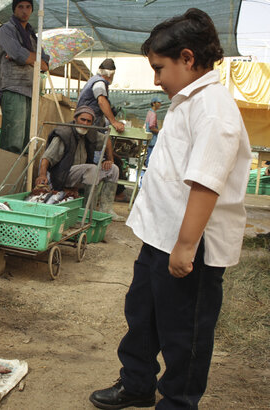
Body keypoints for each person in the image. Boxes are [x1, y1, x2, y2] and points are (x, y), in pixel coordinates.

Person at [89, 8, 251, 409]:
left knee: (185, 334)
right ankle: (138, 383)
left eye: (159, 68)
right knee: (142, 316)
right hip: (160, 238)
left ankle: (177, 402)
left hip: (189, 247)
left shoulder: (214, 109)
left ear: (187, 58)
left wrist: (184, 246)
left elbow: (205, 182)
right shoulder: (186, 100)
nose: (156, 80)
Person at [34, 105, 124, 221]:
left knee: (113, 169)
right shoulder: (64, 134)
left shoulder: (90, 133)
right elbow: (46, 158)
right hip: (62, 175)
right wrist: (42, 175)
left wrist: (109, 159)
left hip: (82, 175)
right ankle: (86, 210)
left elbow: (107, 139)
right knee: (91, 169)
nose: (85, 124)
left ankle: (106, 209)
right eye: (83, 120)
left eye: (88, 121)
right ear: (75, 119)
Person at [0, 0, 50, 154]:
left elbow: (45, 64)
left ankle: (21, 179)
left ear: (32, 10)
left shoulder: (32, 36)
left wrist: (26, 57)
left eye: (28, 7)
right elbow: (17, 53)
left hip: (30, 91)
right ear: (14, 9)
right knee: (13, 143)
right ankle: (8, 178)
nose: (24, 11)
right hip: (13, 87)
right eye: (20, 7)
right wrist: (28, 58)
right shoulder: (6, 30)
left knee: (27, 144)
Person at [76, 58, 125, 133]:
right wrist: (114, 122)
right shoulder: (99, 83)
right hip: (87, 121)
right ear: (110, 75)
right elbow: (102, 101)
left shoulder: (94, 79)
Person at [144, 95, 162, 167]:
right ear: (153, 103)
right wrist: (160, 132)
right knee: (151, 156)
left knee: (149, 154)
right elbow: (151, 127)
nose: (160, 104)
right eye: (158, 102)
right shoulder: (153, 114)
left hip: (149, 139)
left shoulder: (149, 112)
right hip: (152, 139)